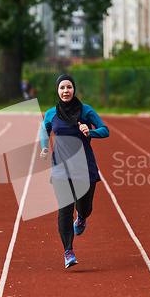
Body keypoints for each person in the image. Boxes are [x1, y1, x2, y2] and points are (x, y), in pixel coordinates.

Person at [40, 74, 110, 269]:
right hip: (61, 169)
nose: (65, 91)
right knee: (64, 211)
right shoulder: (51, 113)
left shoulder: (86, 111)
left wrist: (91, 132)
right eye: (62, 88)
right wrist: (44, 146)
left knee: (84, 207)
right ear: (57, 90)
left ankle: (82, 218)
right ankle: (68, 251)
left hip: (84, 169)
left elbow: (105, 130)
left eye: (69, 87)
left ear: (74, 89)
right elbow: (44, 130)